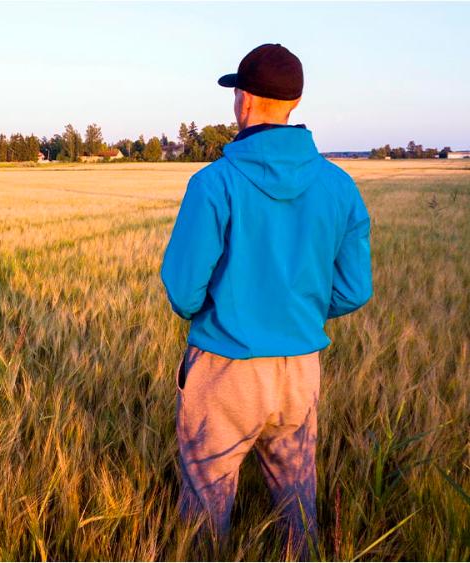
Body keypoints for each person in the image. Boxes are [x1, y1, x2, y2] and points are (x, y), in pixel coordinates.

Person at [160, 43, 373, 555]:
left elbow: (183, 291)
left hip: (224, 368)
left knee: (205, 515)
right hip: (300, 371)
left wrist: (231, 312)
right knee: (298, 508)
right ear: (294, 103)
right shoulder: (340, 186)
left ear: (245, 99)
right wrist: (295, 312)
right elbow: (354, 289)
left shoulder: (213, 183)